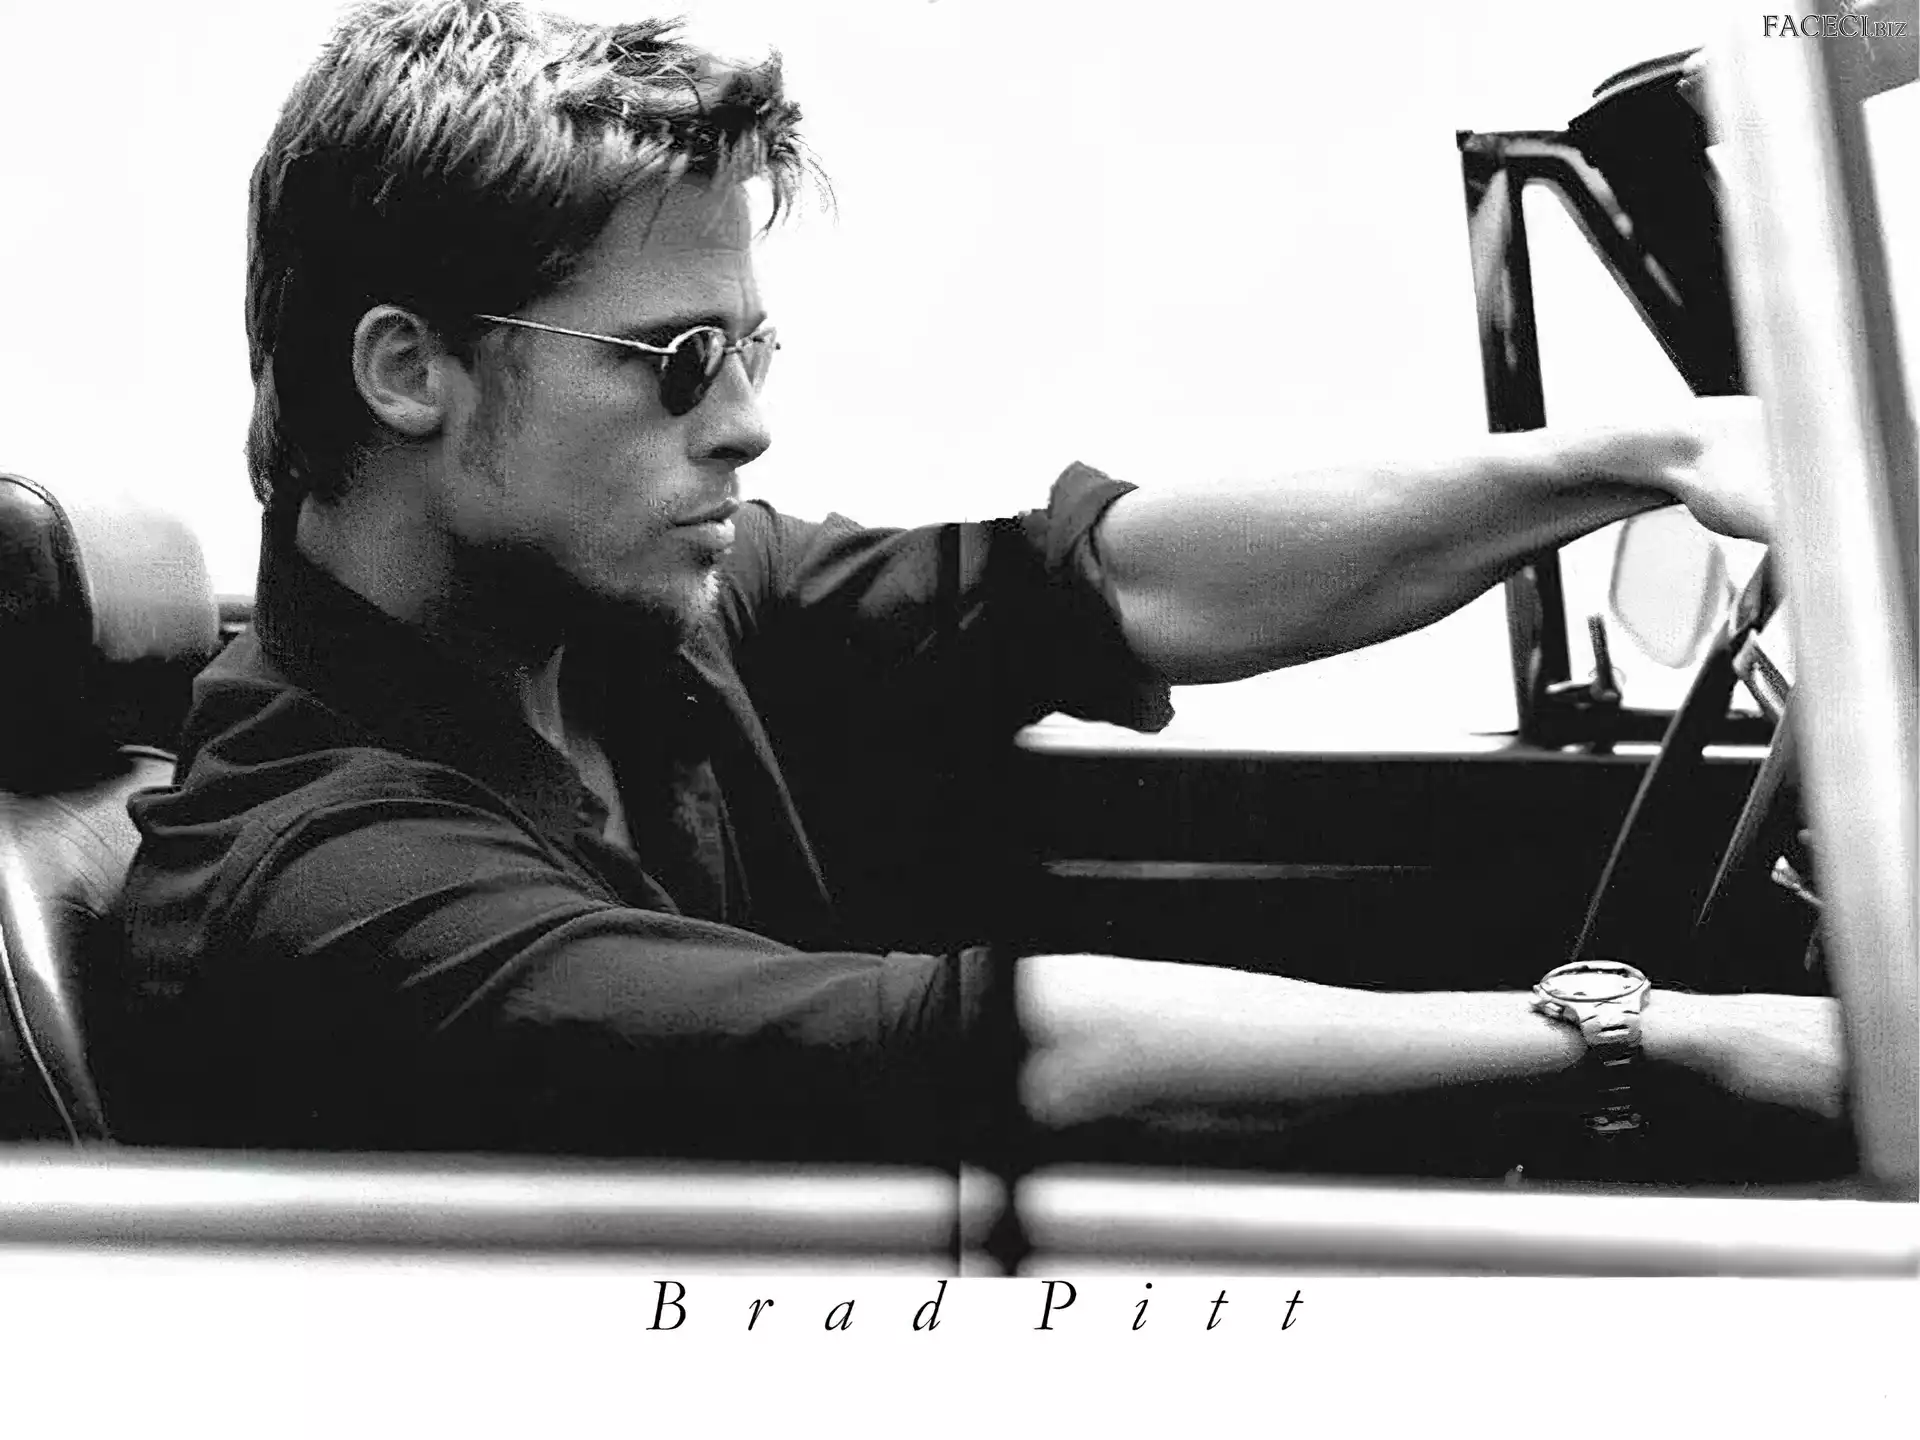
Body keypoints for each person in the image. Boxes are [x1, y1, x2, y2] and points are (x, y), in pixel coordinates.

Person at [107, 0, 1843, 1161]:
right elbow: (991, 1051)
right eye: (680, 360)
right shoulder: (324, 886)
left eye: (752, 349)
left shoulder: (627, 621)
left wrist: (1639, 455)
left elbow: (1111, 584)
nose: (748, 425)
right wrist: (1658, 1043)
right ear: (408, 372)